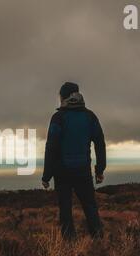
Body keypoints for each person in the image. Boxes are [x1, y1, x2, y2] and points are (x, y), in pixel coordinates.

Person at [42, 82, 106, 240]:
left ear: (64, 97)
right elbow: (100, 142)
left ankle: (70, 247)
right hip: (83, 171)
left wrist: (46, 176)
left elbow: (51, 147)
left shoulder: (58, 118)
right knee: (90, 207)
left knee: (65, 210)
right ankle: (99, 242)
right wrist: (100, 169)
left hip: (62, 173)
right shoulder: (90, 116)